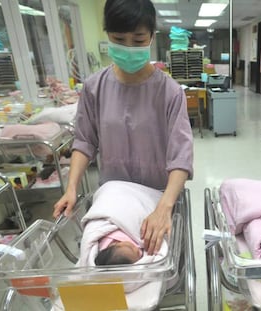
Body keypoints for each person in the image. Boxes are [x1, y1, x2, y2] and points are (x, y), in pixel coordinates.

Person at [53, 0, 194, 256]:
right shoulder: (95, 87)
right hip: (114, 197)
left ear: (151, 37)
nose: (129, 48)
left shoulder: (169, 92)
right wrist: (71, 187)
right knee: (112, 261)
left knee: (158, 266)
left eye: (138, 40)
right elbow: (84, 141)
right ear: (108, 35)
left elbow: (181, 156)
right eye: (119, 39)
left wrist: (164, 208)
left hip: (159, 197)